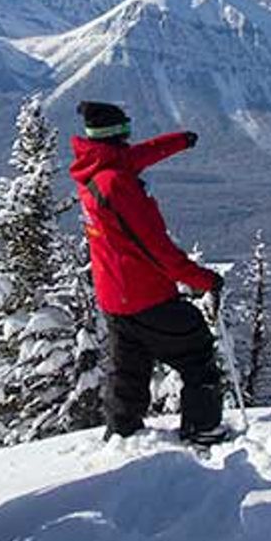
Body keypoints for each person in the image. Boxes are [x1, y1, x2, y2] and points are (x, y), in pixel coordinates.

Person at [69, 100, 227, 446]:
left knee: (129, 368)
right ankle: (203, 429)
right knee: (197, 352)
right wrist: (204, 280)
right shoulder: (118, 185)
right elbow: (157, 249)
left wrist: (178, 141)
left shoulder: (94, 168)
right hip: (146, 294)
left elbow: (134, 157)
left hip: (114, 295)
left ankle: (123, 433)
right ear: (117, 133)